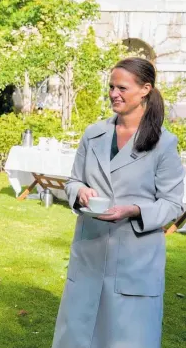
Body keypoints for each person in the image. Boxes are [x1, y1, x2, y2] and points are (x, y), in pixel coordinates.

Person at [52, 57, 185, 348]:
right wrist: (80, 192)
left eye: (122, 87)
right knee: (77, 336)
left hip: (135, 260)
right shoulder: (93, 134)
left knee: (128, 339)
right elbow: (73, 181)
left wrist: (135, 210)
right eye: (111, 86)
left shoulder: (163, 144)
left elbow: (173, 203)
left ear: (145, 90)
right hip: (90, 250)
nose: (114, 93)